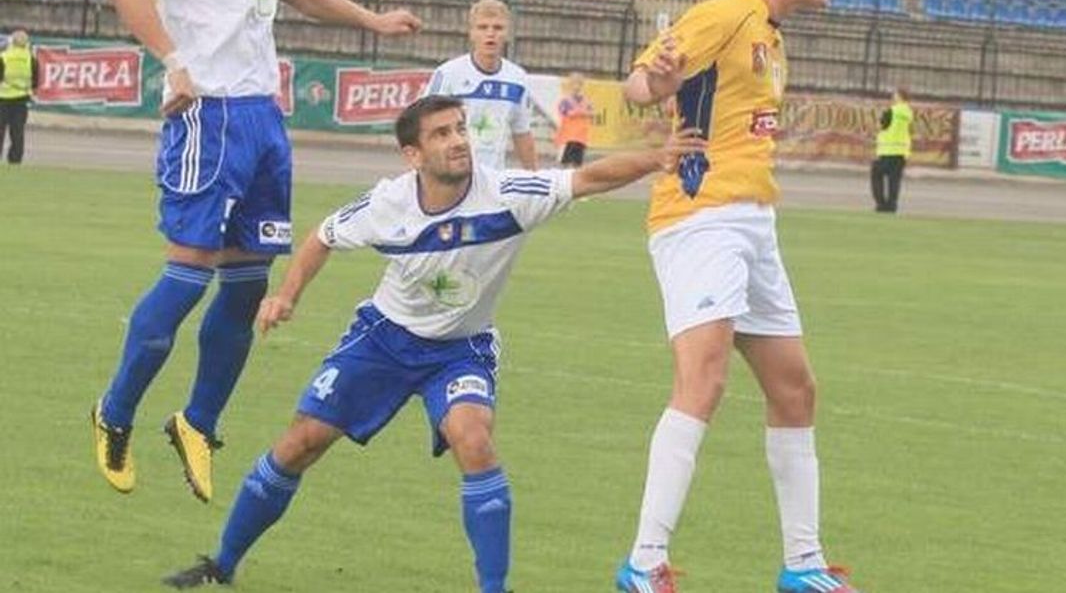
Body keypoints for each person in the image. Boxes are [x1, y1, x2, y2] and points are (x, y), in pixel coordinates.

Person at [160, 95, 706, 591]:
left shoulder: (509, 195)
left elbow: (588, 177)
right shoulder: (388, 203)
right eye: (442, 133)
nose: (458, 140)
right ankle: (221, 564)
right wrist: (286, 296)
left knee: (474, 439)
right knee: (302, 442)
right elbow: (322, 236)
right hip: (383, 339)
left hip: (461, 350)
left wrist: (657, 158)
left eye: (460, 128)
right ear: (413, 155)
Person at [91, 0, 422, 504]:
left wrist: (373, 20)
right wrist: (174, 62)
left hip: (263, 120)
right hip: (208, 116)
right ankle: (115, 411)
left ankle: (197, 422)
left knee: (247, 286)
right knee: (187, 276)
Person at [613, 0, 862, 593]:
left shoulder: (772, 36)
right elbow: (641, 83)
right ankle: (644, 561)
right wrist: (658, 82)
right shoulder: (725, 13)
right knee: (704, 381)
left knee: (795, 390)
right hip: (701, 219)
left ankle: (803, 565)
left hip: (753, 222)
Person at [424, 0, 537, 171]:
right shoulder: (448, 74)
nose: (490, 34)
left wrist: (535, 177)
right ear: (472, 33)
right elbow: (425, 124)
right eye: (483, 27)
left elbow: (522, 133)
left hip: (492, 178)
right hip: (451, 175)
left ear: (507, 33)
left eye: (498, 28)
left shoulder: (517, 78)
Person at [870, 87, 912, 213]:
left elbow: (881, 126)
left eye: (895, 95)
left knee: (876, 174)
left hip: (887, 150)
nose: (893, 97)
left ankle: (881, 204)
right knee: (894, 180)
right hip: (901, 152)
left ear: (899, 96)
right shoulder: (909, 113)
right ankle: (892, 205)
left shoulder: (892, 111)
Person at [0, 29, 37, 165]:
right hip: (21, 100)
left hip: (2, 98)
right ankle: (15, 161)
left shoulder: (4, 57)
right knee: (17, 133)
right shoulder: (30, 59)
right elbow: (35, 81)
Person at [555, 71, 595, 167]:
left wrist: (584, 113)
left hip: (581, 136)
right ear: (569, 85)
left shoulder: (586, 101)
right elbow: (563, 112)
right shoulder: (565, 100)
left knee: (577, 162)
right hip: (568, 136)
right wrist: (578, 112)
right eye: (574, 84)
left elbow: (592, 113)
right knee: (565, 161)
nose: (577, 87)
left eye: (579, 84)